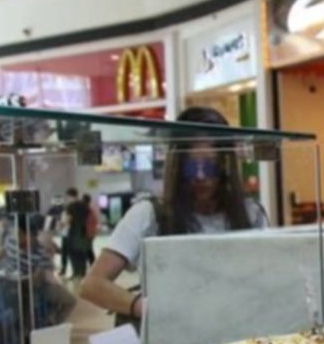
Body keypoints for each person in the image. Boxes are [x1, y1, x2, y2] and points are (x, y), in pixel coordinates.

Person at [80, 106, 268, 320]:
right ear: (177, 167)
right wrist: (144, 308)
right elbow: (92, 285)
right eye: (191, 167)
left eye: (209, 167)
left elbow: (265, 277)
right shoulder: (148, 214)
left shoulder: (251, 214)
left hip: (238, 335)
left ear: (225, 167)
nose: (199, 176)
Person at [0, 213, 76, 326]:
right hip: (9, 283)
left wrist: (24, 280)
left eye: (21, 235)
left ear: (31, 235)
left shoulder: (41, 252)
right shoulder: (12, 240)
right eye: (16, 234)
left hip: (32, 286)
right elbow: (2, 252)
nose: (18, 239)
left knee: (70, 300)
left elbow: (36, 280)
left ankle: (52, 321)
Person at [61, 188, 90, 279]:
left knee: (73, 253)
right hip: (83, 232)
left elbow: (69, 220)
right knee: (82, 253)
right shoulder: (84, 206)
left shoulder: (70, 206)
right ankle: (83, 273)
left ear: (69, 195)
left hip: (73, 232)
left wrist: (61, 224)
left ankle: (76, 273)